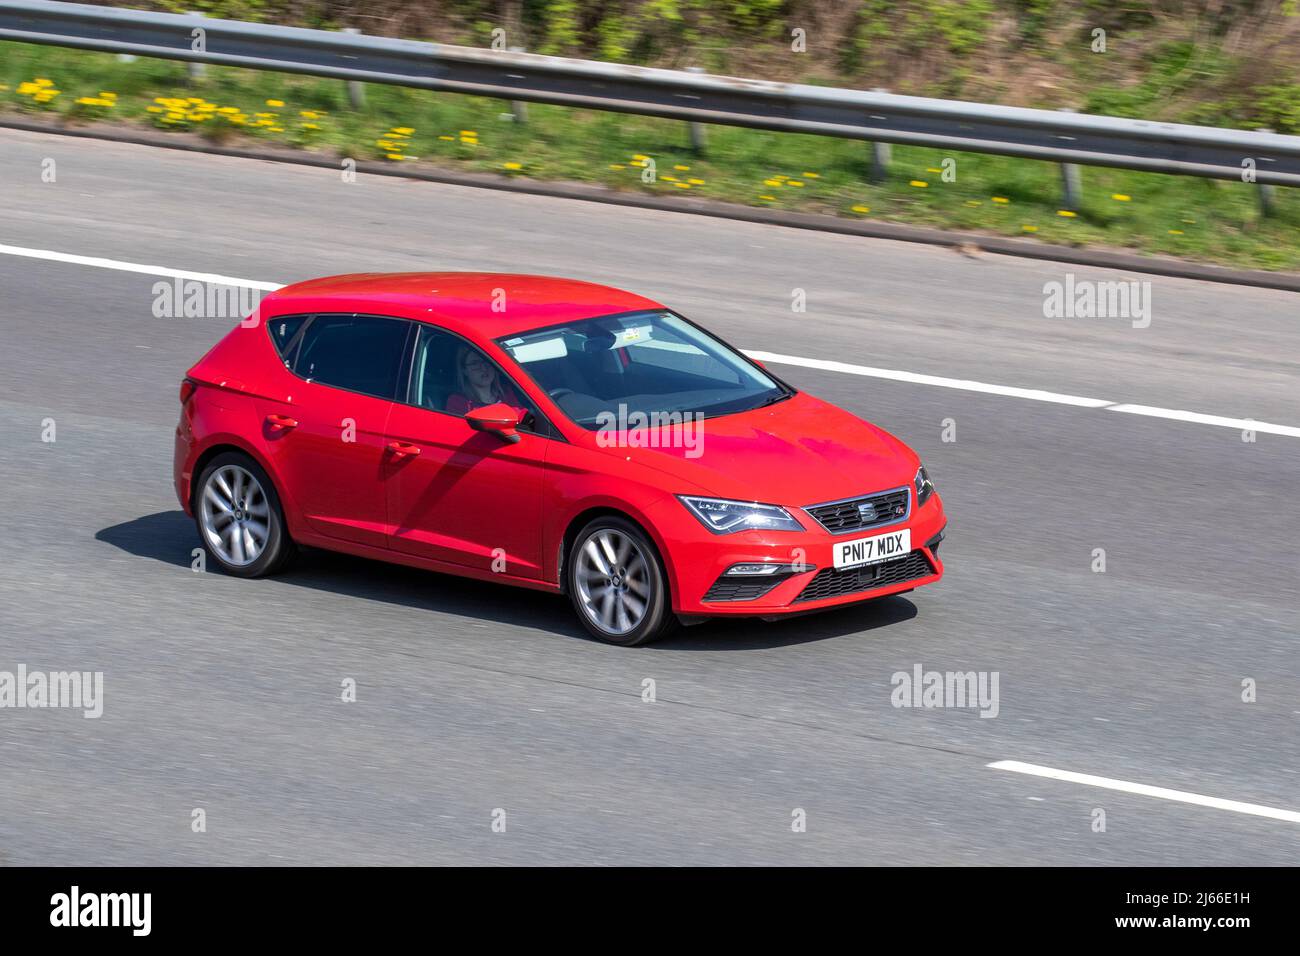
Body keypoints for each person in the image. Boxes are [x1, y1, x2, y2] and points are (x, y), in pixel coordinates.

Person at [445, 347, 526, 417]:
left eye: (486, 361)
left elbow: (525, 419)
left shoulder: (505, 393)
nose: (484, 368)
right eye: (475, 363)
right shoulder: (458, 401)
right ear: (464, 370)